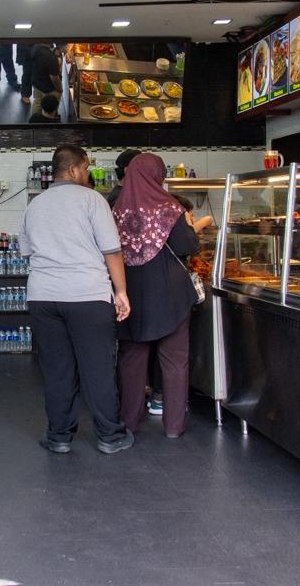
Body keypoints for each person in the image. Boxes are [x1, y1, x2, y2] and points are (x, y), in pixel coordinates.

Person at [21, 144, 135, 455]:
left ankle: (59, 436)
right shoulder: (92, 200)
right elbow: (112, 250)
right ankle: (110, 436)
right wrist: (121, 292)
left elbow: (27, 251)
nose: (88, 174)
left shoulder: (35, 204)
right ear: (73, 169)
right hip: (86, 296)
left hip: (43, 297)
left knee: (57, 369)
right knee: (97, 367)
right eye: (86, 168)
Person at [112, 153, 209, 438]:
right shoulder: (169, 207)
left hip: (130, 294)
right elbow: (186, 245)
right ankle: (174, 426)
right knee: (175, 360)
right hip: (171, 295)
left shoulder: (117, 209)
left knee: (131, 361)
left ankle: (129, 421)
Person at [29, 44, 62, 114]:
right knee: (50, 110)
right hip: (49, 88)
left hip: (37, 83)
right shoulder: (51, 57)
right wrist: (59, 89)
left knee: (37, 103)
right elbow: (54, 78)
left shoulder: (35, 47)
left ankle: (35, 119)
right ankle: (48, 119)